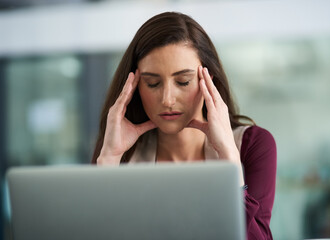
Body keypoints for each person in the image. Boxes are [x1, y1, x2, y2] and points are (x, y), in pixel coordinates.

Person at [91, 12, 277, 240]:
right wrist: (109, 160)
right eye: (153, 83)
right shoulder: (118, 151)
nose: (167, 99)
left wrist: (229, 158)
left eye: (183, 82)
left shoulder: (252, 144)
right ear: (135, 87)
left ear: (209, 81)